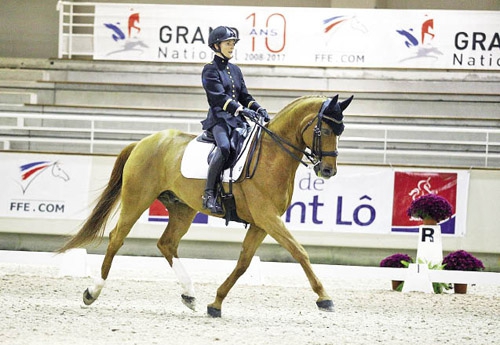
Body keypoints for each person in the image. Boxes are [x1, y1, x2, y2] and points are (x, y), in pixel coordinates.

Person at [201, 26, 270, 215]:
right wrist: (241, 110)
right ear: (216, 45)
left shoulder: (235, 70)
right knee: (225, 148)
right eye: (228, 44)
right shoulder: (209, 70)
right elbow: (218, 97)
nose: (232, 47)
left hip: (237, 121)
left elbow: (244, 95)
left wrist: (257, 108)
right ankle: (208, 194)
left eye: (233, 44)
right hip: (219, 120)